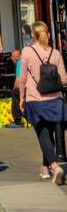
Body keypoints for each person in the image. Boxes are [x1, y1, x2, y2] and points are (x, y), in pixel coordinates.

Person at [17, 22, 67, 183]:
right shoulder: (56, 53)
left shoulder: (27, 51)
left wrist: (21, 97)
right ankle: (45, 169)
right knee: (49, 133)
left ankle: (54, 166)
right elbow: (64, 79)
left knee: (43, 134)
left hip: (36, 99)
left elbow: (22, 78)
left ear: (32, 34)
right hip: (55, 100)